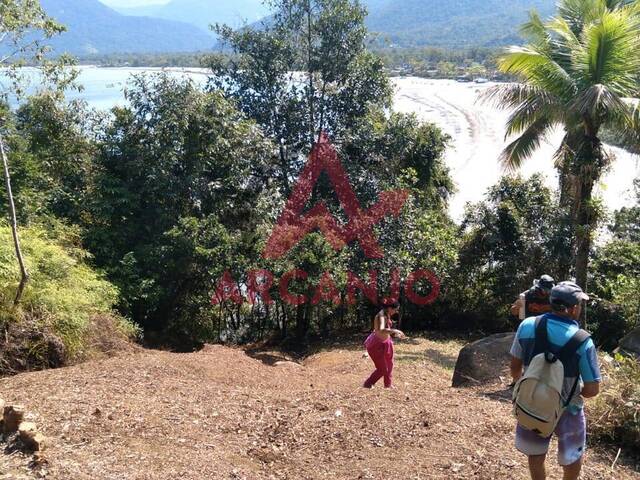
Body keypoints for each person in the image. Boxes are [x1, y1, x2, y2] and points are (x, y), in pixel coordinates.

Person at [510, 281, 601, 480]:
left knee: (535, 454)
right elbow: (592, 389)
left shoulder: (527, 326)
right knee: (572, 458)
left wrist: (523, 387)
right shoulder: (583, 341)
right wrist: (576, 392)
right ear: (574, 308)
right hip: (569, 409)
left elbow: (515, 367)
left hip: (532, 403)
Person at [363, 301, 406, 389]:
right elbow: (382, 329)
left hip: (386, 341)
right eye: (395, 310)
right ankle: (368, 384)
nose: (396, 312)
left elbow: (387, 329)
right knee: (382, 369)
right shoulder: (381, 316)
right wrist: (395, 331)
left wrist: (394, 334)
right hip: (376, 344)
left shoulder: (387, 313)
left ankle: (388, 385)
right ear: (390, 308)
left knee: (389, 364)